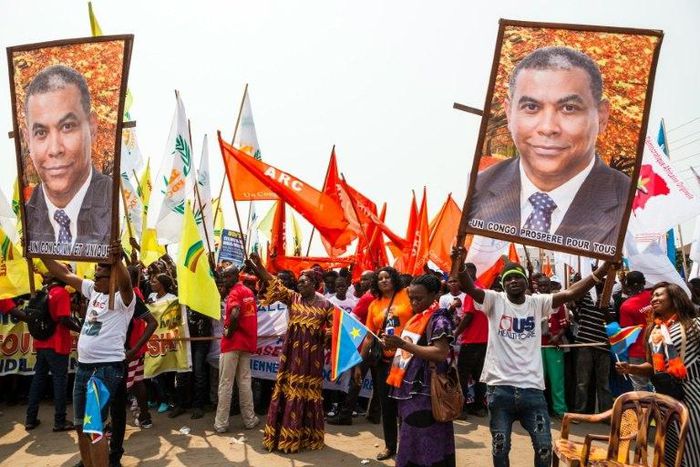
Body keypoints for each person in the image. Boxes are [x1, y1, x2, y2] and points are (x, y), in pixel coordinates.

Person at [456, 246, 612, 467]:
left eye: (517, 278)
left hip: (533, 391)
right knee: (500, 448)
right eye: (508, 279)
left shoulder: (537, 303)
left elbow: (571, 293)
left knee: (544, 447)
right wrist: (460, 265)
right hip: (500, 389)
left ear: (526, 283)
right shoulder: (494, 300)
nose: (512, 282)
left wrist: (601, 272)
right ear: (503, 284)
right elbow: (470, 288)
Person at [467, 46, 630, 254]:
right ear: (509, 113)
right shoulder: (479, 189)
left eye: (568, 108)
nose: (548, 128)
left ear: (601, 116)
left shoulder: (630, 204)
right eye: (531, 107)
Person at [41, 242, 135, 467]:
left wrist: (117, 261)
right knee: (79, 425)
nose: (95, 277)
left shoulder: (124, 300)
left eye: (100, 274)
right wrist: (39, 254)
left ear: (111, 277)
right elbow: (63, 273)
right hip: (84, 367)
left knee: (94, 428)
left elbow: (126, 284)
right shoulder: (93, 289)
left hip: (105, 370)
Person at [245, 253, 334, 453]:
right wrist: (258, 266)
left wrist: (327, 334)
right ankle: (284, 437)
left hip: (312, 360)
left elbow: (333, 329)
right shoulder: (293, 297)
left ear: (314, 283)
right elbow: (272, 282)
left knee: (308, 394)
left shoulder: (326, 304)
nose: (299, 284)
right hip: (292, 356)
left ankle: (306, 437)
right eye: (299, 281)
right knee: (288, 391)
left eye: (304, 281)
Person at [22, 64, 113, 257]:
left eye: (67, 127)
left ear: (92, 127)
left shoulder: (113, 201)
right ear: (27, 140)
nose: (55, 149)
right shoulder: (26, 219)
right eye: (40, 132)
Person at [616, 282, 700, 465]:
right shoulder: (653, 331)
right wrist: (631, 368)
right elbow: (653, 366)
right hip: (667, 397)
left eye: (659, 295)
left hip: (694, 393)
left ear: (674, 298)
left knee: (693, 442)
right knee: (672, 445)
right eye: (652, 296)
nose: (653, 299)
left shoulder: (693, 324)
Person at [384, 274, 455, 467]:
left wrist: (403, 345)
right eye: (411, 298)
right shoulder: (417, 317)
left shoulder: (439, 319)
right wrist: (393, 344)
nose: (414, 302)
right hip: (408, 391)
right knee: (410, 439)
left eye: (419, 298)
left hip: (426, 393)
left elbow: (440, 353)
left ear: (434, 295)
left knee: (426, 440)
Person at [360, 266, 413, 461]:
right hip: (384, 361)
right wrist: (360, 363)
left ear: (394, 279)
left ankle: (408, 446)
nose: (383, 280)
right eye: (380, 278)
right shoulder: (374, 305)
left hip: (407, 359)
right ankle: (390, 446)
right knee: (387, 405)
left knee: (406, 405)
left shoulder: (407, 295)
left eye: (387, 277)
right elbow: (368, 336)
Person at [20, 272, 82, 431]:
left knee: (38, 380)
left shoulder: (45, 291)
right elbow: (63, 319)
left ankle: (30, 418)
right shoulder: (61, 293)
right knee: (59, 381)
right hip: (57, 344)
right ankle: (60, 420)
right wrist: (80, 329)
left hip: (42, 342)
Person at [327, 270, 381, 426]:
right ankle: (374, 414)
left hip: (366, 343)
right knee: (377, 382)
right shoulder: (380, 297)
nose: (362, 282)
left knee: (356, 380)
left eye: (366, 279)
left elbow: (353, 321)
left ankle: (345, 414)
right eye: (362, 279)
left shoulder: (367, 297)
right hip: (375, 342)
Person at [214, 265, 259, 433]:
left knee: (225, 383)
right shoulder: (248, 292)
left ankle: (221, 423)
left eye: (226, 277)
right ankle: (249, 419)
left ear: (235, 276)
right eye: (223, 277)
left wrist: (228, 331)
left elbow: (234, 313)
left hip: (232, 344)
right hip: (246, 343)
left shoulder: (234, 292)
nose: (224, 280)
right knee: (245, 382)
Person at [451, 264, 489, 418]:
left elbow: (468, 316)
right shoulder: (483, 289)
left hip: (471, 341)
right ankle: (479, 407)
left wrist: (456, 332)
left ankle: (461, 409)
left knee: (462, 376)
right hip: (484, 341)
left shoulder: (471, 293)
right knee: (480, 376)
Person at [537, 275, 569, 419]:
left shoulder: (558, 303)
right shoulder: (533, 302)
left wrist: (557, 336)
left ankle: (560, 409)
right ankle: (539, 409)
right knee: (538, 380)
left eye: (545, 285)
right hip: (537, 347)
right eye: (540, 285)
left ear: (550, 287)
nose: (543, 288)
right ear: (537, 287)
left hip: (553, 346)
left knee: (557, 380)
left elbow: (564, 325)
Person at [618, 271, 653, 391]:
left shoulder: (626, 306)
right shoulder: (655, 296)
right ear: (644, 282)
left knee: (641, 389)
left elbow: (627, 332)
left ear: (628, 285)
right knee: (661, 385)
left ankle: (644, 410)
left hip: (637, 352)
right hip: (657, 347)